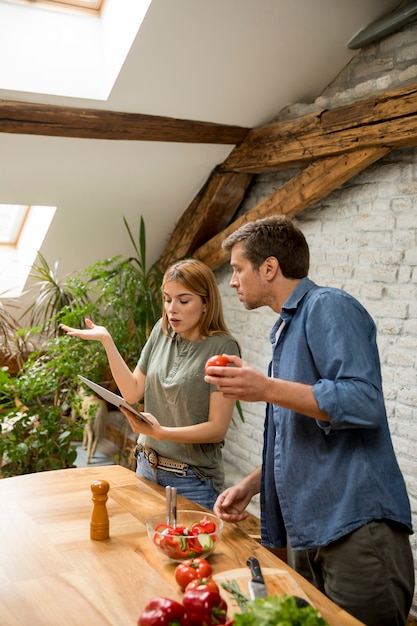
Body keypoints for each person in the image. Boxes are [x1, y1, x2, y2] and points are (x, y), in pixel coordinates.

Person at [204, 216, 414, 626]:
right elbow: (296, 432)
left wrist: (265, 388)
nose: (232, 281)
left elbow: (364, 401)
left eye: (238, 268)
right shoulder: (286, 328)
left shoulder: (328, 306)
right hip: (311, 528)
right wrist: (251, 485)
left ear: (269, 268)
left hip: (354, 524)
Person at [61, 258, 240, 510]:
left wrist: (160, 432)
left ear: (205, 303)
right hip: (146, 467)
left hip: (191, 482)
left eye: (183, 300)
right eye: (167, 299)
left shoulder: (223, 348)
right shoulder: (161, 331)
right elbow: (132, 391)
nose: (172, 308)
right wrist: (107, 341)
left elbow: (216, 429)